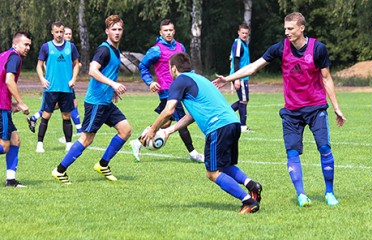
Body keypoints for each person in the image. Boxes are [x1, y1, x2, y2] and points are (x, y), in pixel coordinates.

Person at [214, 12, 346, 207]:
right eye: (285, 28)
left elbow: (326, 78)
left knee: (324, 148)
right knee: (292, 152)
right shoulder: (279, 48)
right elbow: (253, 67)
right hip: (291, 111)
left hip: (316, 107)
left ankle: (329, 192)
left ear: (301, 28)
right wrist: (229, 78)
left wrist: (336, 107)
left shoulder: (318, 49)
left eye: (291, 29)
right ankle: (301, 195)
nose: (287, 32)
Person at [143, 52, 262, 214]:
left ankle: (248, 201)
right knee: (225, 165)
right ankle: (252, 186)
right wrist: (168, 130)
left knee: (212, 173)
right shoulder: (200, 78)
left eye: (170, 69)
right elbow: (192, 114)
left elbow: (168, 110)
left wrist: (153, 129)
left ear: (174, 68)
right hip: (232, 123)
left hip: (217, 126)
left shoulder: (179, 81)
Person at [51, 15, 132, 184]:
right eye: (113, 29)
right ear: (107, 31)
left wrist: (113, 90)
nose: (117, 33)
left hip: (106, 101)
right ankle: (60, 170)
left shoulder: (116, 50)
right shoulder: (104, 50)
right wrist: (113, 84)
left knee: (125, 130)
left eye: (119, 29)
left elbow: (107, 72)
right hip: (96, 102)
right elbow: (92, 70)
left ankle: (103, 164)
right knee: (87, 139)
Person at [129, 19, 204, 163]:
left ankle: (139, 142)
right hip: (167, 91)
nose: (168, 33)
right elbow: (143, 66)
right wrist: (150, 82)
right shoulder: (156, 50)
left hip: (182, 88)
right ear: (161, 32)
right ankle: (193, 153)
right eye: (166, 31)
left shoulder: (180, 46)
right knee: (182, 120)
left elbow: (186, 66)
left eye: (171, 30)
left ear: (174, 31)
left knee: (167, 122)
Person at [26, 26, 83, 135]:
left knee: (61, 106)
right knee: (71, 104)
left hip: (67, 84)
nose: (67, 36)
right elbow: (43, 64)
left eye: (69, 34)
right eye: (66, 33)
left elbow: (76, 64)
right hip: (56, 84)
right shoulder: (50, 47)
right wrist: (45, 76)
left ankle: (35, 117)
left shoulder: (70, 48)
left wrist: (75, 70)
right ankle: (79, 129)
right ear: (54, 33)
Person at [35, 22, 80, 153]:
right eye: (57, 32)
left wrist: (74, 79)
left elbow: (76, 64)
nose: (59, 34)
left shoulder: (71, 47)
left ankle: (68, 144)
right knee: (46, 115)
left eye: (61, 32)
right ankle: (40, 143)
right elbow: (39, 65)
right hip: (51, 88)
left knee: (66, 116)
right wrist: (42, 79)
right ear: (52, 32)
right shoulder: (46, 47)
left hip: (66, 89)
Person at [0, 32, 32, 187]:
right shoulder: (15, 57)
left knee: (15, 140)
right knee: (4, 146)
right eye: (25, 44)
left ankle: (11, 180)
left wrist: (11, 104)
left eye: (29, 46)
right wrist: (21, 102)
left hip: (4, 105)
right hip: (1, 107)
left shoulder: (4, 55)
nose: (27, 48)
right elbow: (8, 80)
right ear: (15, 44)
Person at [229, 23, 252, 132]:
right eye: (242, 33)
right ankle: (243, 126)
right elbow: (236, 61)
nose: (244, 35)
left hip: (244, 76)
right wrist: (237, 78)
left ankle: (226, 112)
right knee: (243, 100)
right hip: (240, 76)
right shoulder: (238, 44)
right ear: (238, 32)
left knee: (244, 100)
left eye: (246, 33)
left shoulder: (244, 43)